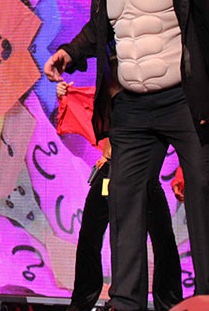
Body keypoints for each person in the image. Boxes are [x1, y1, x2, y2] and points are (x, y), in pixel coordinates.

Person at [43, 0, 209, 310]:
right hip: (133, 107)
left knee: (202, 191)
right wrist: (70, 52)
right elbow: (103, 28)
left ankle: (207, 295)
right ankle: (126, 301)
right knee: (124, 197)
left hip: (184, 101)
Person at [55, 82, 181, 311]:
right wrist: (64, 93)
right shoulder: (112, 94)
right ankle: (82, 303)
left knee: (163, 241)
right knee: (90, 239)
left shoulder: (156, 100)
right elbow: (85, 104)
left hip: (143, 176)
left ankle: (170, 303)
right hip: (109, 171)